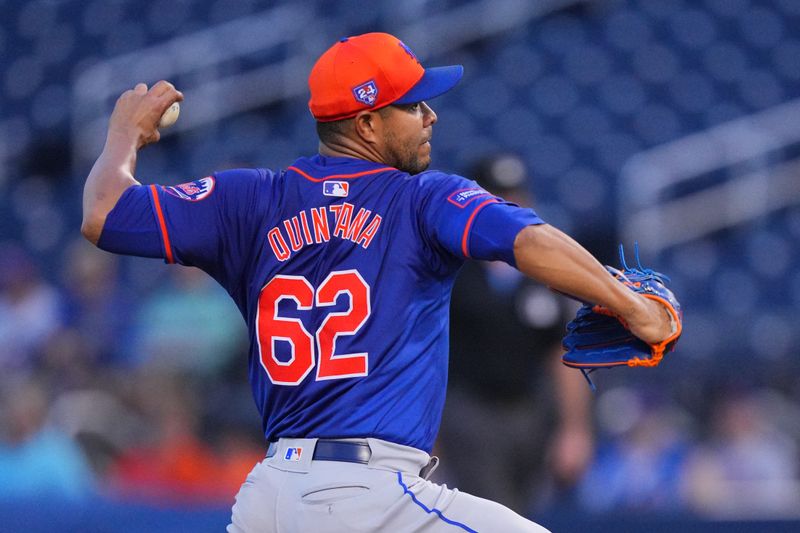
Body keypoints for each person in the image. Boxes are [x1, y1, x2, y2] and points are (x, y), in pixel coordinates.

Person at [81, 32, 674, 533]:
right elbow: (527, 240)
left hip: (270, 498)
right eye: (412, 104)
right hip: (366, 494)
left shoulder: (249, 199)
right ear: (366, 122)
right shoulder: (422, 197)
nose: (430, 114)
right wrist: (632, 306)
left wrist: (123, 136)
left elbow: (103, 214)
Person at [437, 154, 593, 514]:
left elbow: (564, 355)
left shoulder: (546, 274)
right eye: (497, 198)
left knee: (523, 512)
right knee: (493, 512)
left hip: (529, 413)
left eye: (514, 196)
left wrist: (574, 429)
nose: (508, 206)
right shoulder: (450, 271)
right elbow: (427, 354)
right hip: (469, 412)